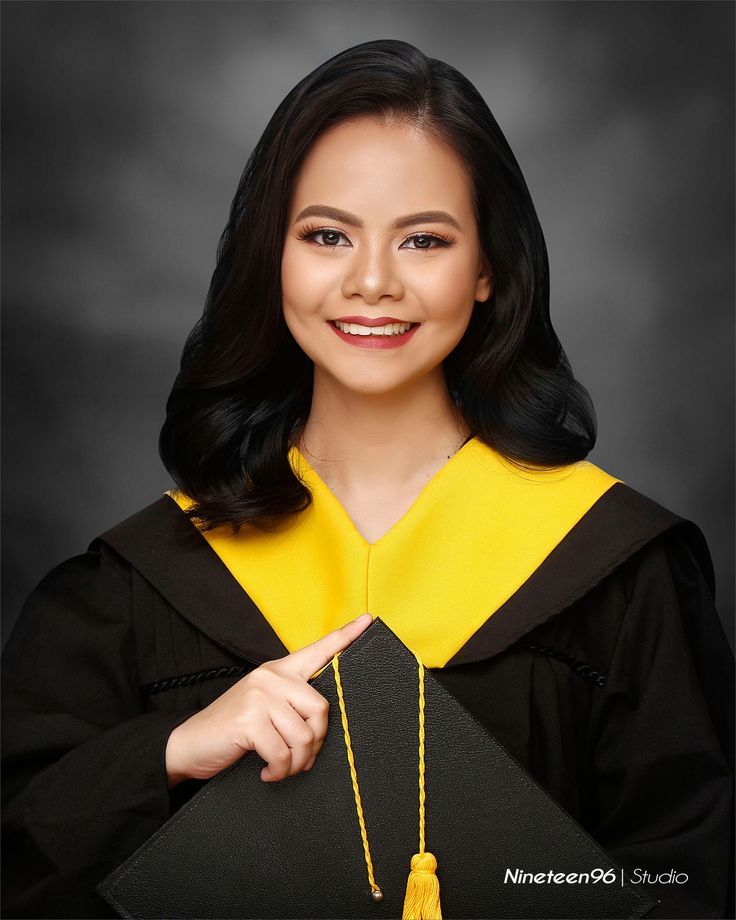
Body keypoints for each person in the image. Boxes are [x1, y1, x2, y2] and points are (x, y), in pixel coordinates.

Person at [2, 38, 733, 920]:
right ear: (274, 258)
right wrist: (169, 751)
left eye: (424, 239)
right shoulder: (131, 591)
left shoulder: (617, 573)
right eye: (326, 236)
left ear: (488, 270)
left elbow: (688, 881)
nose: (373, 281)